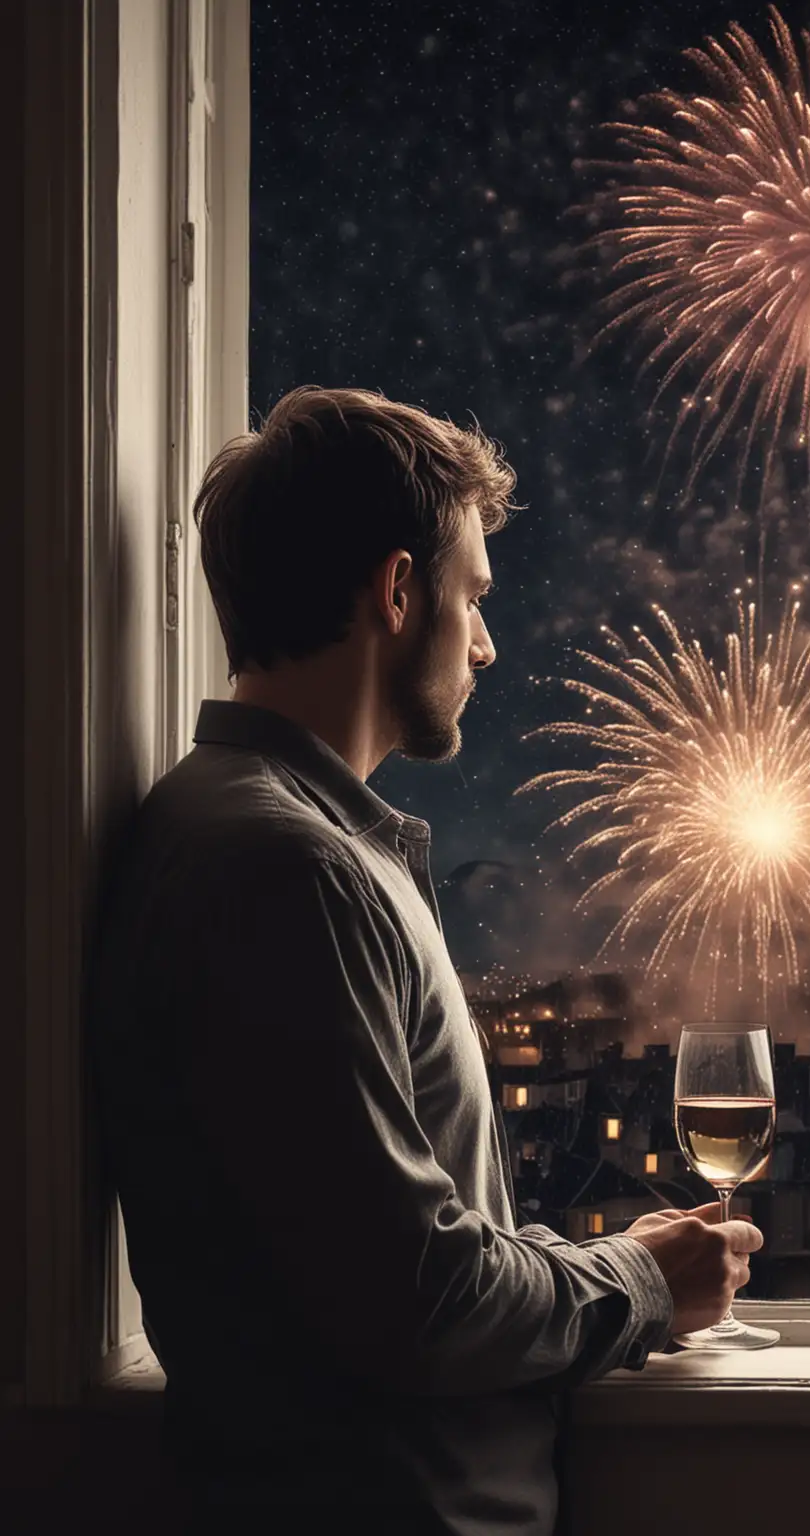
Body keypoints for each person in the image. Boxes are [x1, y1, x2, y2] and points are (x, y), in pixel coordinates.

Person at [88, 386, 762, 1536]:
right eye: (474, 600)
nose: (488, 644)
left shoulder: (269, 839)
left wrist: (598, 1263)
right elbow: (420, 1300)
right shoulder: (287, 872)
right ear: (398, 592)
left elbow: (377, 1242)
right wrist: (643, 1285)